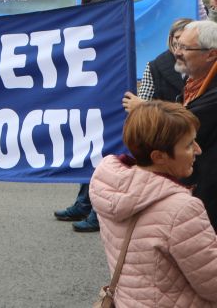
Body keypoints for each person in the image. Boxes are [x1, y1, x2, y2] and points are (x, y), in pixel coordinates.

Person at [90, 101, 217, 306]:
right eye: (188, 145)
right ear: (159, 156)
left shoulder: (108, 185)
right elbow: (212, 284)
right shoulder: (182, 209)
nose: (198, 150)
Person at [135, 19, 217, 230]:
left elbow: (181, 124)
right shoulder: (192, 81)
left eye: (185, 48)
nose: (177, 52)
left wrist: (142, 109)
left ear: (211, 54)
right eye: (177, 45)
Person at [53, 0, 107, 232]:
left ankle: (97, 210)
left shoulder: (110, 28)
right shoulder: (89, 27)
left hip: (102, 103)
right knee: (91, 155)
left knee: (100, 158)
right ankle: (85, 203)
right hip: (90, 102)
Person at [132, 18, 191, 103]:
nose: (181, 43)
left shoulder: (205, 64)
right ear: (171, 39)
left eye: (187, 38)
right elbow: (143, 105)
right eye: (178, 37)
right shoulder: (153, 67)